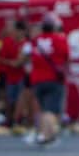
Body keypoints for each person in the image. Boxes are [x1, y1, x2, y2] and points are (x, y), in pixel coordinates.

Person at [28, 14, 68, 146]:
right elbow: (66, 58)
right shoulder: (60, 40)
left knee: (43, 109)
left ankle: (48, 135)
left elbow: (28, 57)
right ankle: (44, 135)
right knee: (50, 110)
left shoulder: (35, 41)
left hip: (37, 79)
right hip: (53, 78)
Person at [0, 22, 28, 127]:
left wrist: (7, 62)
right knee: (9, 99)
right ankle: (9, 120)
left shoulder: (26, 44)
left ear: (21, 31)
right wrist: (9, 62)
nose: (12, 32)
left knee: (21, 99)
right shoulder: (7, 42)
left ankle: (18, 120)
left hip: (22, 77)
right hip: (9, 76)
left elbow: (18, 63)